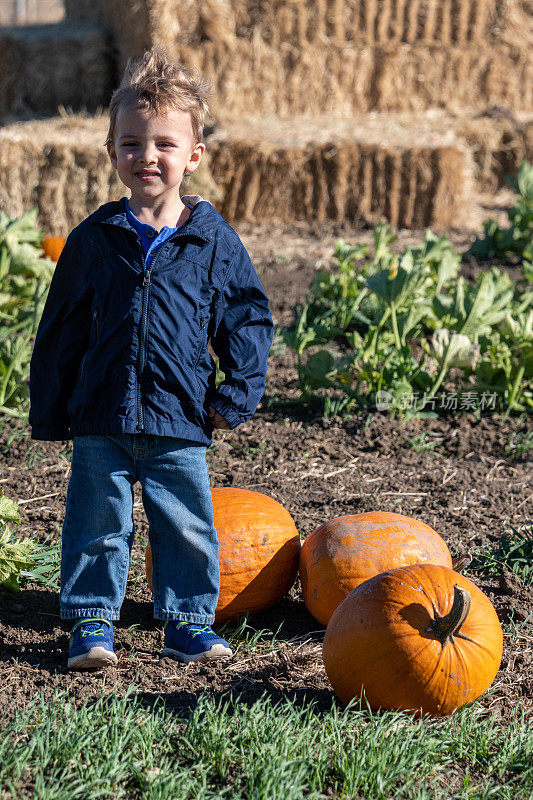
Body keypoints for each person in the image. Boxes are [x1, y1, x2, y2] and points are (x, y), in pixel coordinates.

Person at [29, 47, 273, 670]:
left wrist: (233, 395)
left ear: (193, 155)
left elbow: (246, 318)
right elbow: (61, 332)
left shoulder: (211, 241)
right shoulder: (94, 239)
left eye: (164, 143)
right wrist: (52, 411)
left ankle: (187, 621)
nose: (147, 157)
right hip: (102, 415)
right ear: (111, 152)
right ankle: (91, 623)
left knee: (187, 526)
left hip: (179, 417)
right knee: (96, 524)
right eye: (132, 143)